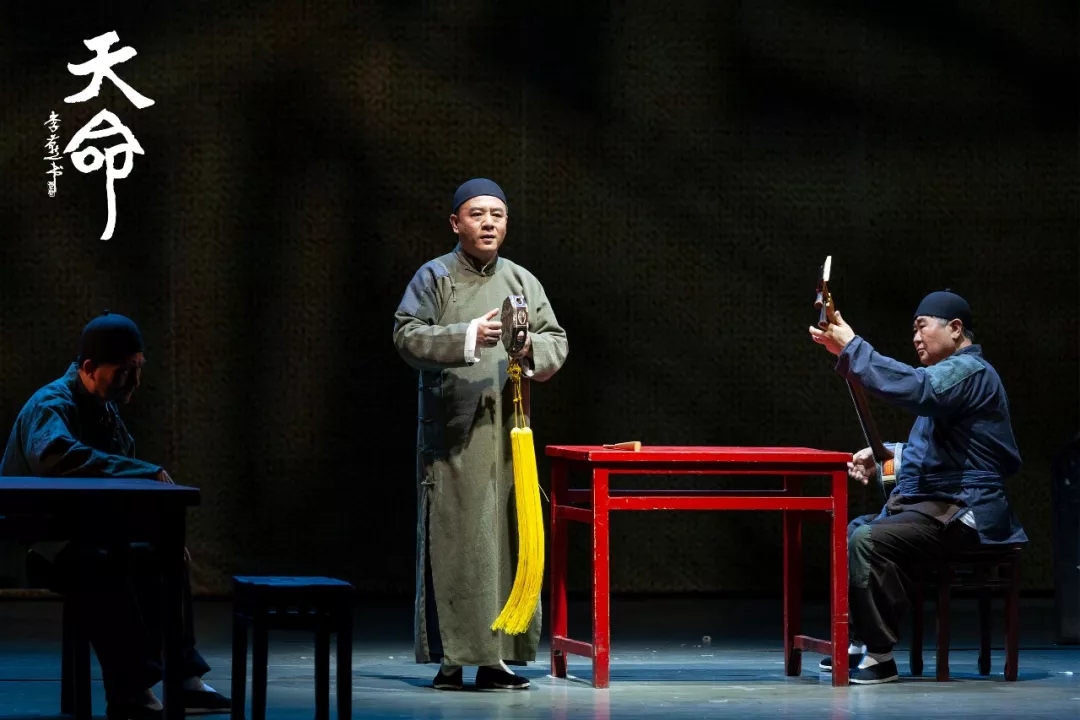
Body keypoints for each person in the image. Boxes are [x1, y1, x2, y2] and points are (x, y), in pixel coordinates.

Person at [0, 311, 230, 720]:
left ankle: (182, 675)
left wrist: (158, 533)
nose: (134, 381)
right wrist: (144, 471)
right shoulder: (52, 404)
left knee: (164, 558)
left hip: (86, 534)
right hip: (39, 543)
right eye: (124, 371)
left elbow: (121, 488)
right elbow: (57, 457)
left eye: (138, 368)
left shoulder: (107, 414)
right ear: (89, 368)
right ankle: (130, 691)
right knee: (101, 566)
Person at [392, 178, 569, 691]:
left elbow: (556, 340)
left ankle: (496, 659)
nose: (488, 222)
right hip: (455, 435)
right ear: (456, 223)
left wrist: (528, 346)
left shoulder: (521, 280)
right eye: (477, 214)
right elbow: (406, 333)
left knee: (506, 544)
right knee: (459, 543)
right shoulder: (436, 276)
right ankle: (453, 660)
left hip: (509, 435)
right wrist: (468, 335)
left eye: (497, 214)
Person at [808, 290, 1027, 685]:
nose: (915, 337)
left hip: (969, 510)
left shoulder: (969, 372)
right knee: (856, 529)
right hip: (942, 505)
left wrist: (855, 348)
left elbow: (917, 388)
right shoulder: (951, 380)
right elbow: (939, 453)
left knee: (870, 540)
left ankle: (880, 657)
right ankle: (862, 641)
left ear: (955, 329)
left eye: (922, 326)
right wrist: (885, 456)